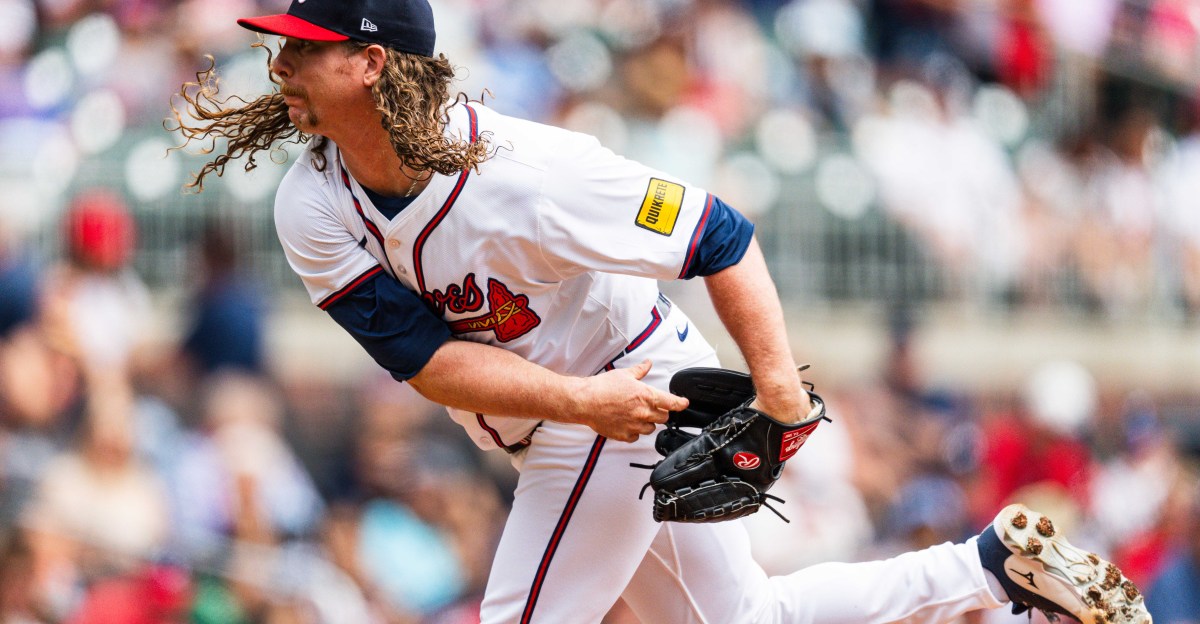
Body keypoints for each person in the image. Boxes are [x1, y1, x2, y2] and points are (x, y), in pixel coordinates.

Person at [172, 1, 1152, 622]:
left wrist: (779, 395)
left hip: (631, 392)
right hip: (577, 407)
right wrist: (577, 402)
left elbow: (720, 234)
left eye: (310, 47)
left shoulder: (530, 173)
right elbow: (426, 361)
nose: (285, 64)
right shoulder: (312, 201)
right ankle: (986, 570)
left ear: (375, 63)